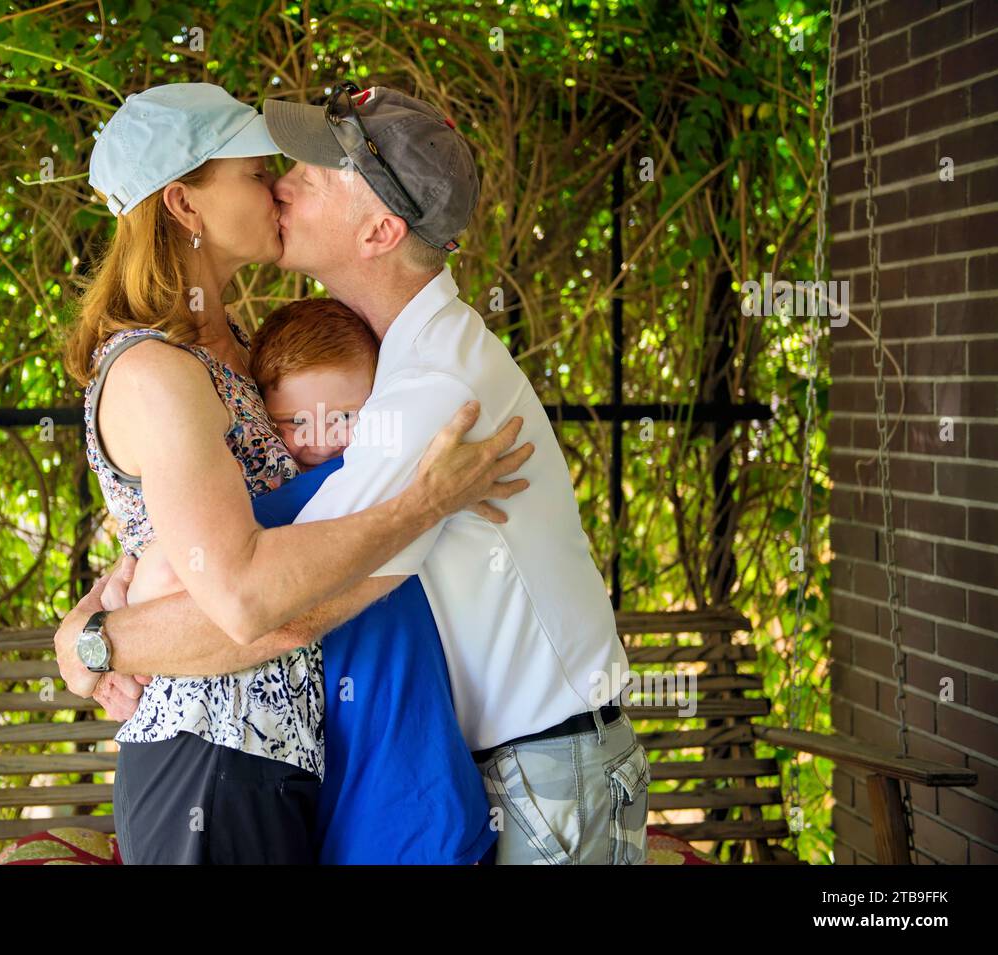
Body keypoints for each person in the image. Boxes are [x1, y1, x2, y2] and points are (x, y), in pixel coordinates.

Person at [57, 81, 650, 865]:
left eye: (311, 170)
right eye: (263, 169)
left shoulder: (427, 387)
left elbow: (285, 602)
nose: (281, 182)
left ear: (379, 228)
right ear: (183, 207)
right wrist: (95, 631)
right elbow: (228, 556)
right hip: (234, 757)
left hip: (527, 770)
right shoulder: (323, 363)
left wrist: (99, 642)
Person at [116, 297, 496, 864]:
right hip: (370, 807)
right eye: (294, 422)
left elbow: (167, 570)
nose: (320, 439)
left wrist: (102, 631)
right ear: (264, 418)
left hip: (408, 819)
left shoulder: (349, 487)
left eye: (344, 417)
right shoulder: (300, 513)